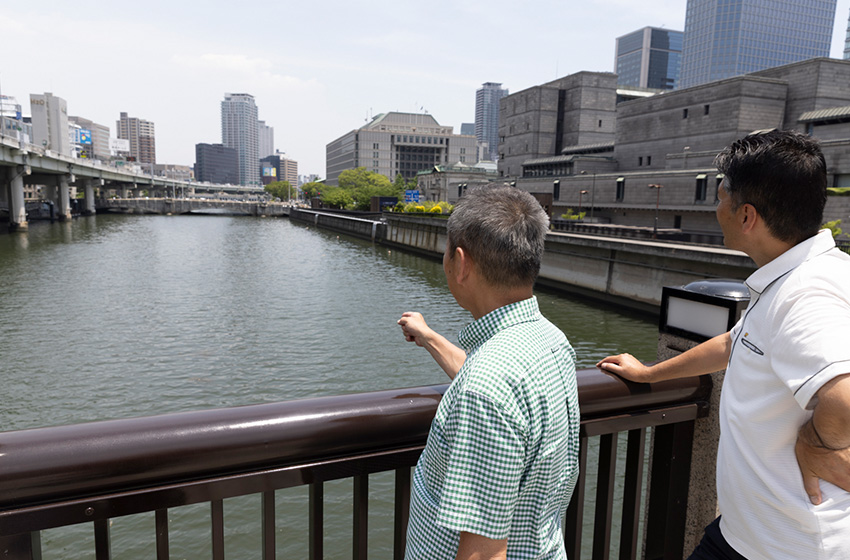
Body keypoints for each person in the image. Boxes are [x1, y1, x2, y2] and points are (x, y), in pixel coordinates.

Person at [597, 129, 850, 559]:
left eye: (719, 197)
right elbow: (737, 342)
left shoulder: (805, 294)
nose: (716, 209)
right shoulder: (802, 273)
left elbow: (844, 399)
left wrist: (815, 442)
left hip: (791, 545)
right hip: (746, 533)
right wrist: (650, 373)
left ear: (747, 215)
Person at [398, 184, 580, 560]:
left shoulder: (487, 386)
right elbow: (498, 388)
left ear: (460, 263)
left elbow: (483, 553)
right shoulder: (551, 340)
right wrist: (431, 338)